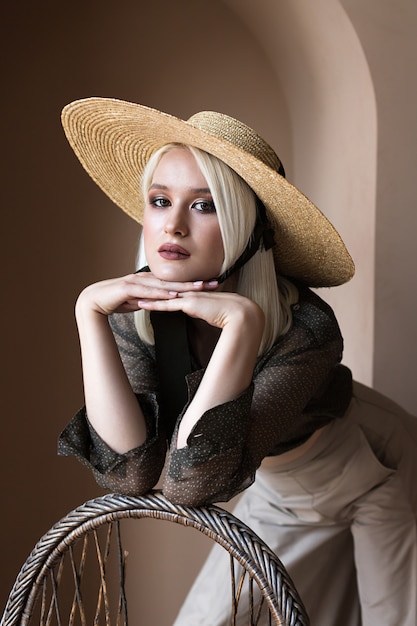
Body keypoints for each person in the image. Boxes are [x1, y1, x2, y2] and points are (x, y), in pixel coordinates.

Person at [58, 97, 417, 626]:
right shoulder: (133, 317)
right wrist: (87, 312)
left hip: (378, 465)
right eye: (159, 200)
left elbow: (193, 485)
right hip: (276, 490)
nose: (172, 226)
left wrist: (244, 325)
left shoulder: (306, 327)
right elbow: (134, 471)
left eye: (205, 206)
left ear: (248, 227)